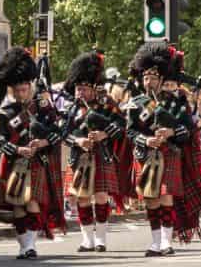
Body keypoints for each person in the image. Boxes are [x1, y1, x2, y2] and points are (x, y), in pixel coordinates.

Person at [125, 42, 201, 257]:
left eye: (153, 78)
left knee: (165, 196)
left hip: (169, 154)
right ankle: (155, 243)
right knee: (151, 199)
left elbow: (188, 129)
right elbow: (130, 132)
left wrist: (171, 133)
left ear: (162, 79)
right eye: (146, 78)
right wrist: (146, 141)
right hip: (146, 155)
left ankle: (166, 242)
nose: (149, 82)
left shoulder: (175, 103)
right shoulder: (136, 104)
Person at [0, 47, 67, 259]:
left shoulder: (43, 109)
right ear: (12, 90)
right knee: (18, 206)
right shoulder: (5, 113)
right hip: (14, 162)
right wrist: (17, 149)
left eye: (25, 89)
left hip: (37, 161)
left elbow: (58, 132)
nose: (22, 94)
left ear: (30, 87)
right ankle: (24, 245)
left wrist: (43, 142)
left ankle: (31, 245)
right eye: (18, 90)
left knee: (32, 201)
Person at [62, 49, 127, 253]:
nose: (80, 93)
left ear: (92, 88)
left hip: (102, 154)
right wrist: (78, 140)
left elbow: (122, 124)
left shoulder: (105, 103)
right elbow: (63, 133)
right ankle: (86, 239)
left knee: (100, 196)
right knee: (81, 198)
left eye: (83, 89)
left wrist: (104, 135)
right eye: (78, 88)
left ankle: (100, 239)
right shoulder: (72, 108)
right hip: (79, 157)